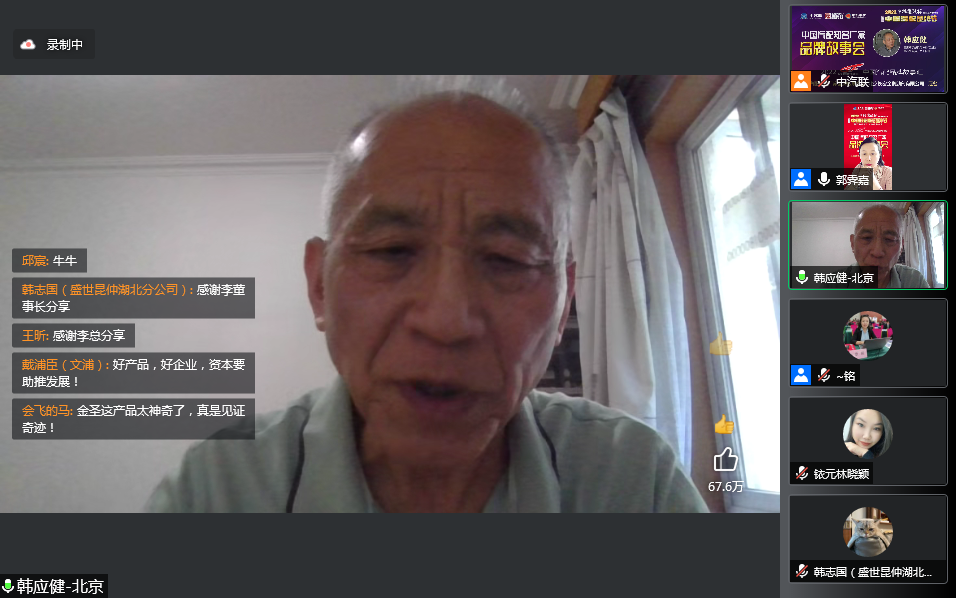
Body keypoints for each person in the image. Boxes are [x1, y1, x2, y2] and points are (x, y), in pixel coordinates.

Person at [144, 80, 709, 513]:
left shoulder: (633, 481)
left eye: (507, 259)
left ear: (563, 304)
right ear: (319, 287)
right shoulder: (220, 488)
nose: (445, 320)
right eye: (391, 251)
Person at [848, 204, 929, 288]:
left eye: (889, 239)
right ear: (852, 243)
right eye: (866, 238)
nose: (877, 252)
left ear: (901, 246)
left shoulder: (915, 281)